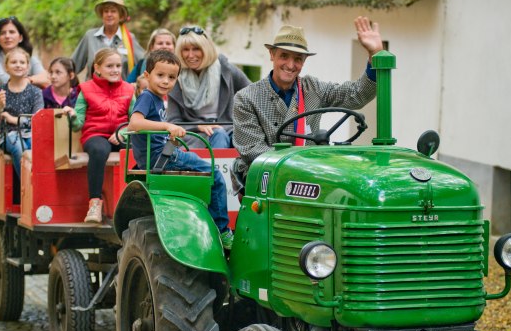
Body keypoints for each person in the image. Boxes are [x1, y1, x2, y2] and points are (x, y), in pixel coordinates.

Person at [232, 17, 383, 176]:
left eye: (297, 59)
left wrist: (375, 55)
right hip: (267, 177)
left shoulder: (313, 88)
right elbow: (253, 151)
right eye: (284, 56)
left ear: (304, 61)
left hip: (311, 175)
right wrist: (301, 167)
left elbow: (356, 94)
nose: (290, 65)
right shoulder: (246, 98)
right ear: (272, 54)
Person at [128, 50, 233, 249]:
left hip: (164, 154)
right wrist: (167, 126)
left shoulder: (159, 100)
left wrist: (177, 130)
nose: (166, 81)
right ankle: (223, 230)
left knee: (203, 168)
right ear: (147, 76)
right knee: (215, 174)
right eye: (160, 75)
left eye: (171, 77)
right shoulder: (147, 97)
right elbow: (135, 123)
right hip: (163, 158)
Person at [70, 48, 135, 223]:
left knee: (138, 150)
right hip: (95, 134)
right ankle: (95, 204)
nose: (115, 70)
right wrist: (72, 117)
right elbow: (78, 124)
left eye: (118, 66)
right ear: (97, 68)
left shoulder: (129, 90)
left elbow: (135, 120)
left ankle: (137, 200)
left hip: (121, 133)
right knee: (99, 150)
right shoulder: (85, 89)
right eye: (110, 66)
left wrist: (123, 133)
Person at [167, 26, 251, 149]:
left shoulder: (225, 69)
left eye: (196, 49)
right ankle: (215, 168)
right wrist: (198, 126)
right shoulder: (175, 77)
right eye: (185, 50)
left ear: (206, 49)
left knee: (239, 138)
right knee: (218, 135)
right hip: (192, 134)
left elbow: (253, 93)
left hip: (228, 128)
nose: (190, 55)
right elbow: (173, 121)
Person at [0, 47, 44, 178]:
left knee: (37, 146)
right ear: (6, 67)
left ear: (28, 67)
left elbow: (38, 120)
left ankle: (37, 182)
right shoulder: (0, 91)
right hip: (7, 135)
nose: (18, 65)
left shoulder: (36, 92)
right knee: (18, 145)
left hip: (30, 135)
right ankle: (28, 183)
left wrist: (14, 119)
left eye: (22, 62)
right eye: (14, 62)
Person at [71, 0, 145, 81]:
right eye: (106, 11)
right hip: (93, 92)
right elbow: (72, 66)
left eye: (113, 11)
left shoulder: (129, 38)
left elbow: (143, 64)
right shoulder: (90, 36)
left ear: (121, 16)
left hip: (121, 92)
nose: (109, 14)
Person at [0, 16, 50, 88]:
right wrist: (34, 80)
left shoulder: (31, 59)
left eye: (12, 32)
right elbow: (9, 82)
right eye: (3, 33)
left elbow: (46, 80)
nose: (7, 36)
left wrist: (29, 80)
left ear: (20, 38)